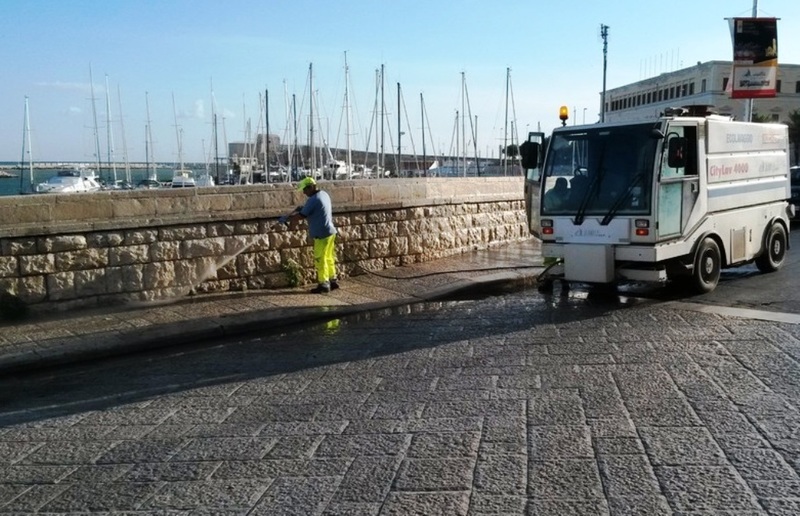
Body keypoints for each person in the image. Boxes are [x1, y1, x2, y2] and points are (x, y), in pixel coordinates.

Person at [280, 177, 339, 294]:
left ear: (311, 187)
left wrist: (287, 218)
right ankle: (333, 280)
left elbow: (301, 216)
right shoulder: (324, 194)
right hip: (330, 232)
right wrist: (303, 208)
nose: (304, 192)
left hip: (321, 234)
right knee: (329, 257)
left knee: (320, 259)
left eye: (305, 189)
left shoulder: (313, 199)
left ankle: (324, 284)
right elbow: (314, 209)